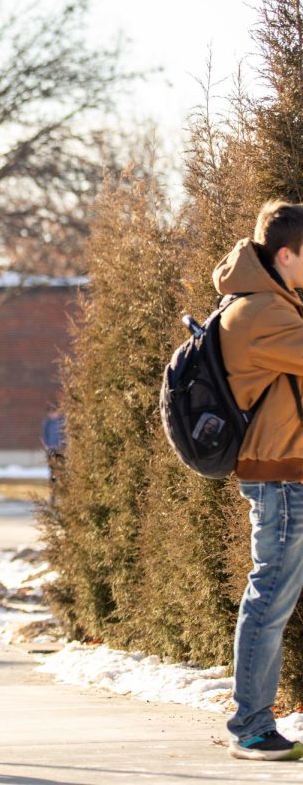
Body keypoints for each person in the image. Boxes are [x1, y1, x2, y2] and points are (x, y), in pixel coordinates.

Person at [215, 200, 303, 761]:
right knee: (270, 594)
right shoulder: (262, 313)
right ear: (288, 255)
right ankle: (250, 724)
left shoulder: (274, 303)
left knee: (273, 593)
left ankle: (252, 719)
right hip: (283, 479)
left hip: (286, 472)